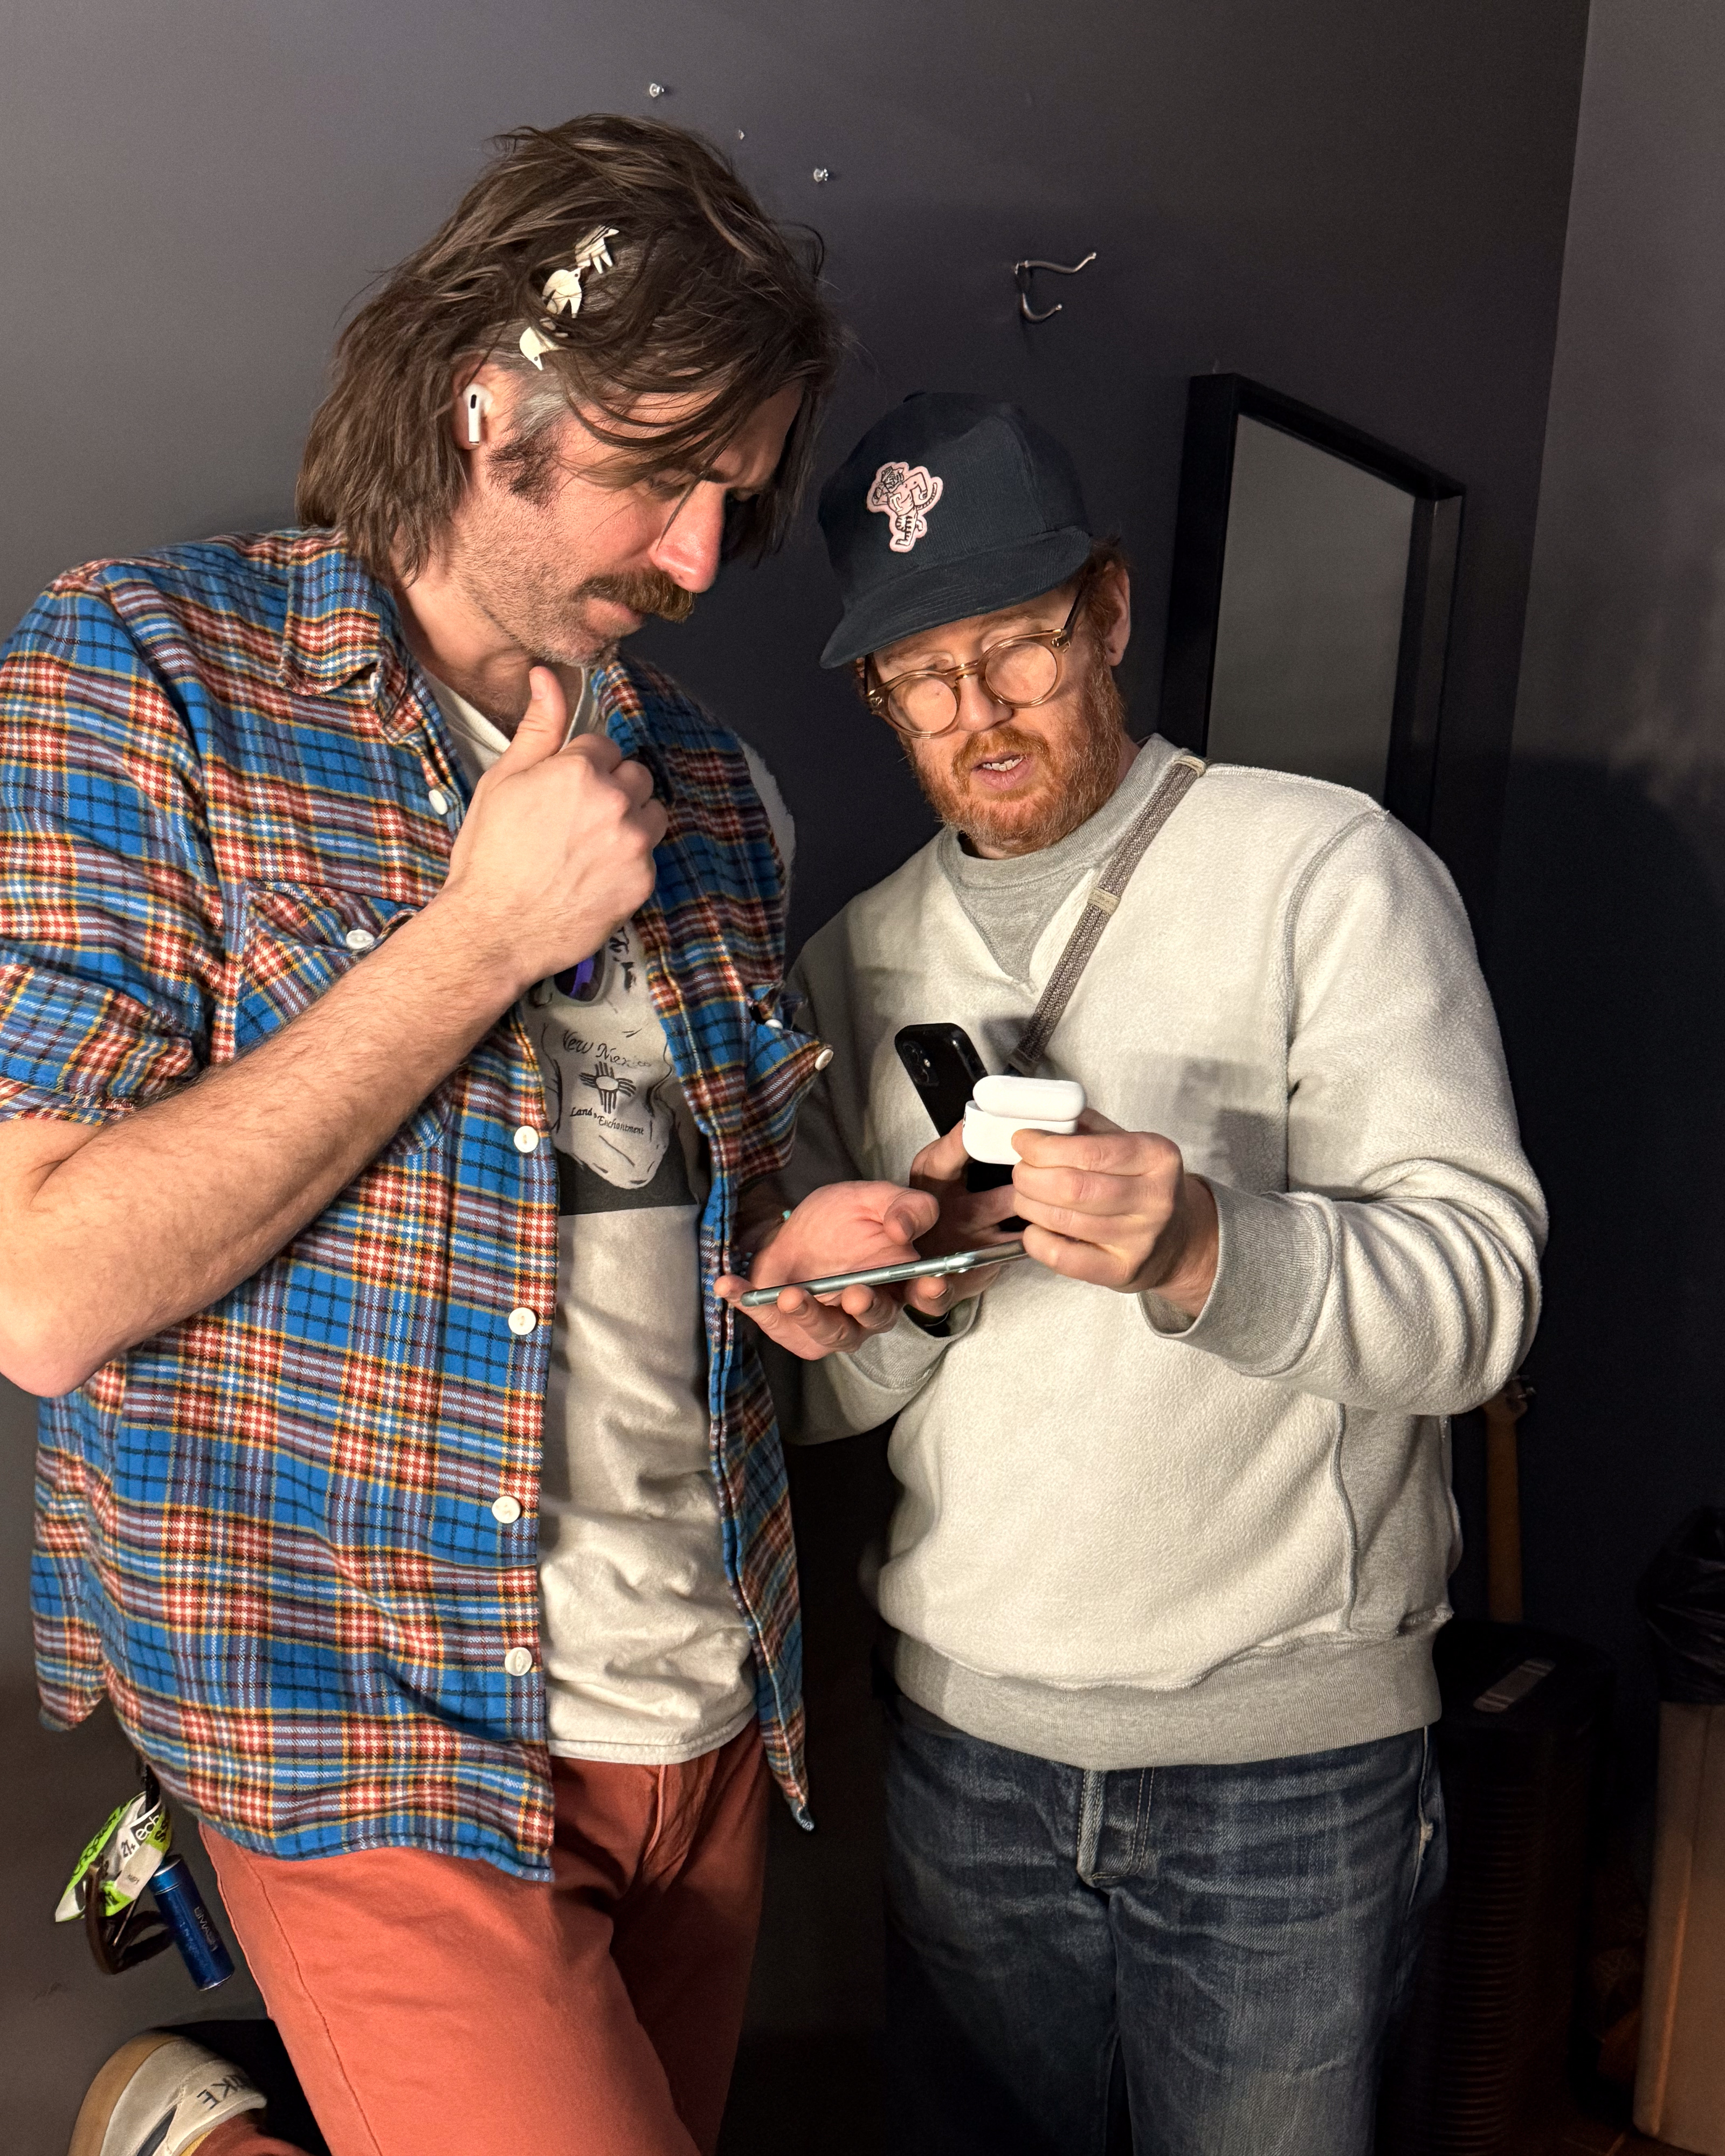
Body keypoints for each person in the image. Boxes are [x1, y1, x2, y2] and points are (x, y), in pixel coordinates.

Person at [0, 119, 928, 2156]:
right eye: (662, 474)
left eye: (736, 495)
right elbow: (44, 1287)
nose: (701, 561)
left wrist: (798, 1261)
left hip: (700, 1707)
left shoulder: (714, 787)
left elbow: (695, 1216)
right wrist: (479, 937)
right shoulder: (150, 672)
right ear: (486, 399)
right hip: (366, 1719)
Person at [729, 392, 1547, 2155]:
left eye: (1015, 647)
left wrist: (1204, 1246)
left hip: (1286, 1775)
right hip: (964, 1761)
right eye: (921, 678)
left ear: (1103, 611)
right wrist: (906, 1291)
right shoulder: (852, 961)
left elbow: (1482, 1304)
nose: (978, 714)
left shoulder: (1325, 870)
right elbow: (818, 1398)